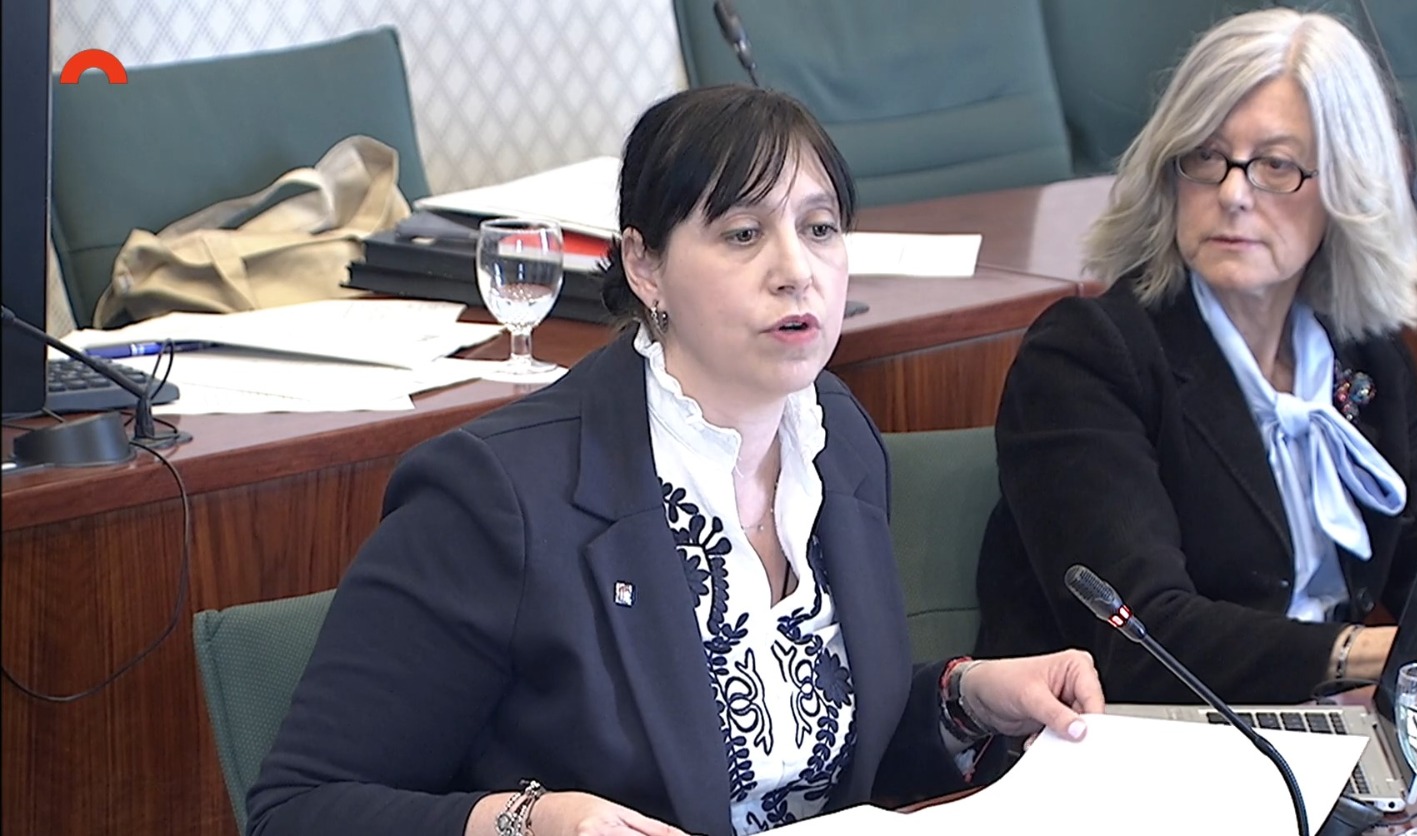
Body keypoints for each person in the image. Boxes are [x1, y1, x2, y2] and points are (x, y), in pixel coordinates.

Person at [247, 85, 1104, 836]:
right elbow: (298, 811)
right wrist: (526, 820)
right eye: (742, 234)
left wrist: (966, 699)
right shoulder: (498, 496)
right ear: (644, 266)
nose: (795, 270)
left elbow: (813, 759)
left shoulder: (833, 437)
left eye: (819, 228)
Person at [973, 9, 1417, 706]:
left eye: (1275, 165)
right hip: (1127, 738)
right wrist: (1390, 650)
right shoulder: (1087, 357)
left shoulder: (1363, 356)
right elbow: (1140, 639)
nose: (1233, 194)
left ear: (1346, 192)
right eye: (1206, 157)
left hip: (1320, 728)